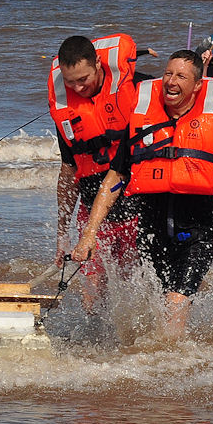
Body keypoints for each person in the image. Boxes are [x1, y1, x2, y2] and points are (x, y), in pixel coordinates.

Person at [71, 50, 213, 340]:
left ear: (197, 86)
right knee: (157, 304)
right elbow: (115, 178)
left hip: (197, 234)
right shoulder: (142, 121)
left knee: (174, 303)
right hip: (151, 232)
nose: (171, 82)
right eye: (168, 74)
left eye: (181, 76)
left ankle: (169, 364)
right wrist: (89, 233)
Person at [49, 34, 157, 311]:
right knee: (92, 291)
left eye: (83, 79)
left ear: (98, 63)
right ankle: (94, 348)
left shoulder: (137, 87)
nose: (77, 87)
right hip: (92, 213)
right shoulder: (67, 111)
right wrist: (62, 234)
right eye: (70, 81)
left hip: (138, 208)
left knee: (136, 286)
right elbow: (68, 171)